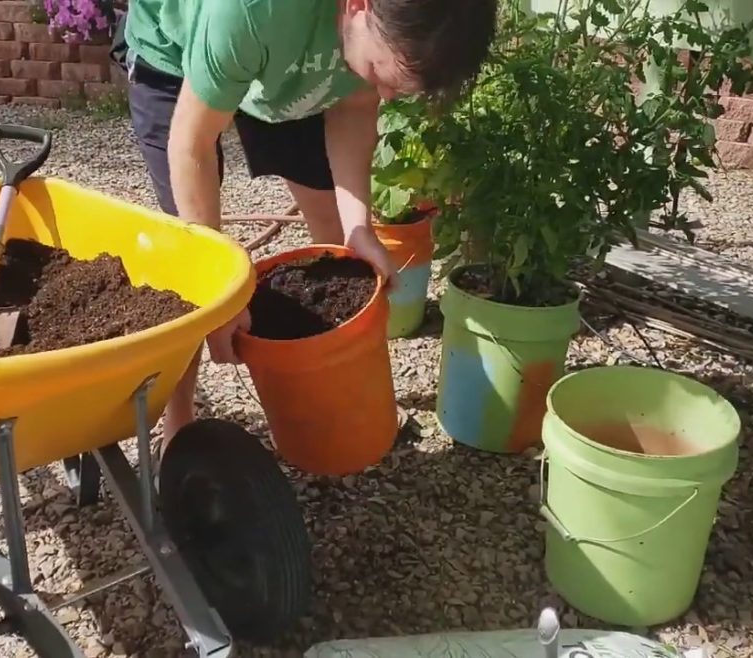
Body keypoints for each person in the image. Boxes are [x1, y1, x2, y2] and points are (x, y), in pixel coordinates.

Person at [110, 0, 498, 442]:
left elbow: (354, 105)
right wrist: (220, 296)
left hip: (291, 56)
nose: (387, 96)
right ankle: (179, 426)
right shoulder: (252, 11)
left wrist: (359, 229)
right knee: (189, 268)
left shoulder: (384, 26)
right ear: (358, 6)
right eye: (378, 72)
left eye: (399, 88)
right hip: (175, 53)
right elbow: (191, 146)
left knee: (341, 250)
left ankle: (334, 394)